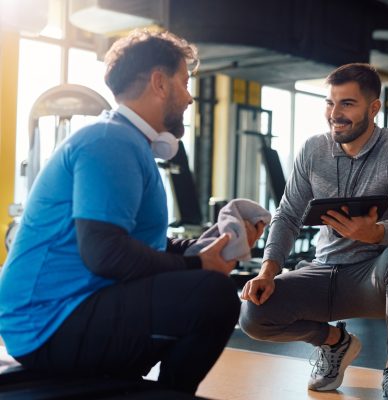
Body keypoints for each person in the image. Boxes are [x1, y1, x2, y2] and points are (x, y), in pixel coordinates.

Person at [0, 30, 264, 395]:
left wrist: (203, 247)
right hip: (47, 323)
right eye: (185, 83)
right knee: (213, 294)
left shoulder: (127, 142)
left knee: (205, 284)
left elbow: (139, 243)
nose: (189, 97)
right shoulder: (110, 141)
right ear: (159, 83)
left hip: (61, 314)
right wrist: (196, 266)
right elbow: (105, 253)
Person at [239, 63, 388, 400]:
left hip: (374, 278)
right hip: (323, 271)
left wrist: (375, 233)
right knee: (254, 313)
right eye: (330, 103)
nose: (334, 114)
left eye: (347, 104)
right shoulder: (313, 150)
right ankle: (336, 343)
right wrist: (268, 271)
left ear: (374, 108)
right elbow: (287, 215)